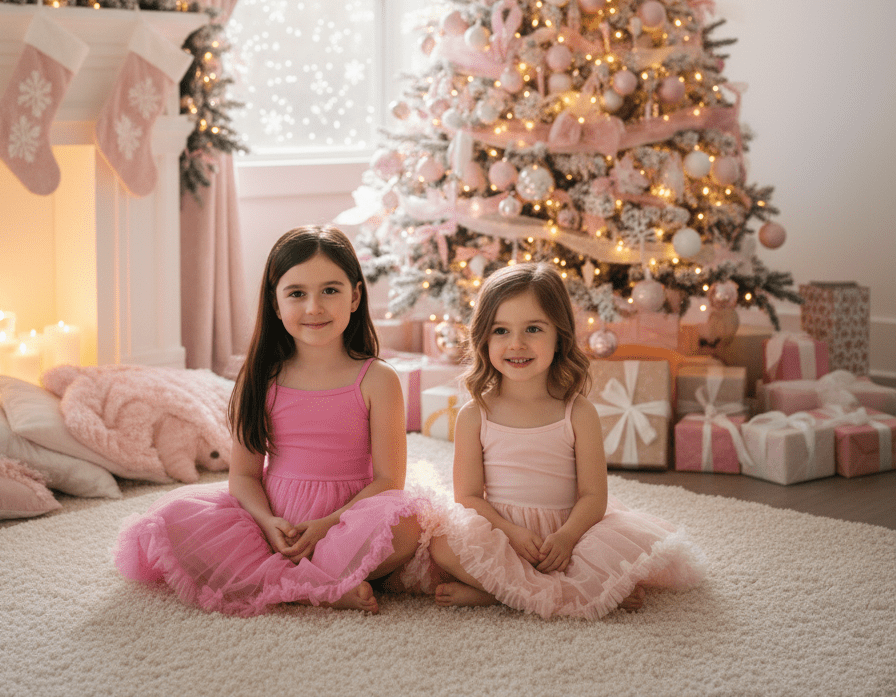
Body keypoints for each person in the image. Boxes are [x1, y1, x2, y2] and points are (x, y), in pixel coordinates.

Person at [112, 225, 426, 616]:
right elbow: (243, 475)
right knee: (172, 520)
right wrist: (266, 522)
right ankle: (321, 584)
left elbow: (388, 481)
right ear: (276, 305)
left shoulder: (378, 379)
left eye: (330, 290)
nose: (314, 307)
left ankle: (311, 579)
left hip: (347, 517)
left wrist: (327, 523)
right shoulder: (260, 378)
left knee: (407, 525)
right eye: (297, 294)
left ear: (355, 296)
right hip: (274, 520)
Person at [428, 262, 706, 619]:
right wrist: (511, 533)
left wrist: (567, 538)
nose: (517, 344)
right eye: (501, 330)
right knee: (442, 546)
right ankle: (557, 594)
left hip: (570, 534)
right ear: (483, 336)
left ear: (559, 336)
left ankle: (502, 593)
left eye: (533, 329)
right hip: (504, 533)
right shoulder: (474, 414)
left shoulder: (578, 412)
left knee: (613, 557)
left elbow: (594, 495)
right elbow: (467, 497)